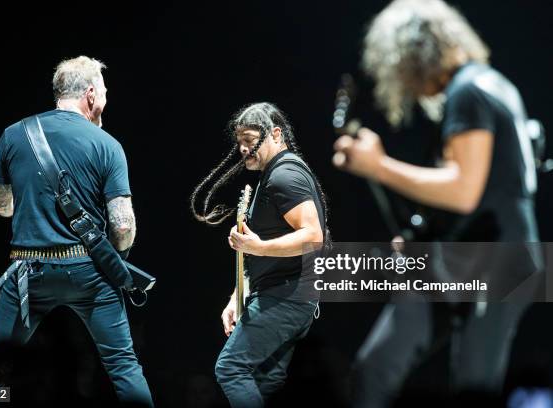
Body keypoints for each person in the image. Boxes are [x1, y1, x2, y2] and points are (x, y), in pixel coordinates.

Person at [332, 0, 542, 405]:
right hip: (467, 254)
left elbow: (464, 190)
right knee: (375, 370)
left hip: (495, 259)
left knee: (470, 390)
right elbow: (487, 188)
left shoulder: (469, 92)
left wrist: (379, 167)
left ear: (413, 54)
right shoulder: (493, 84)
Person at [0, 56, 153, 406]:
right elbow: (122, 226)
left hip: (28, 272)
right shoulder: (108, 145)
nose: (106, 100)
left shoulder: (13, 135)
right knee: (124, 366)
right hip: (89, 272)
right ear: (91, 94)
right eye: (105, 92)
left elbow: (2, 207)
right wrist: (113, 259)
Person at [191, 102, 329, 407]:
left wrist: (258, 246)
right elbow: (261, 254)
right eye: (239, 142)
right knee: (267, 383)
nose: (243, 149)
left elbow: (313, 237)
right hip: (289, 296)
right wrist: (235, 296)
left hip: (286, 297)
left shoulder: (284, 176)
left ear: (276, 134)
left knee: (231, 368)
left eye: (250, 141)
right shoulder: (275, 175)